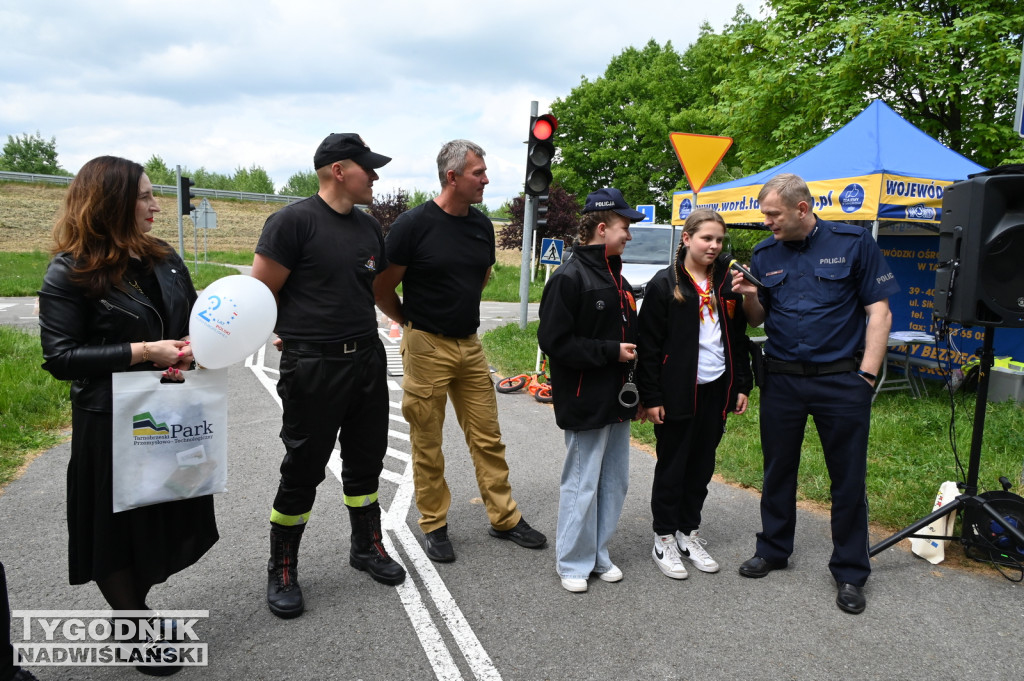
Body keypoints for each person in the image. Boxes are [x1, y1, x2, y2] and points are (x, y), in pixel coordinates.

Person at [38, 155, 217, 675]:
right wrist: (144, 351)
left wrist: (206, 343)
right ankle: (132, 624)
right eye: (142, 196)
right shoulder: (71, 269)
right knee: (117, 531)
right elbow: (60, 357)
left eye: (152, 194)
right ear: (111, 202)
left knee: (164, 518)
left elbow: (191, 317)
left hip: (171, 408)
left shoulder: (162, 257)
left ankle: (137, 611)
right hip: (112, 421)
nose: (154, 204)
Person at [252, 133, 405, 620]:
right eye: (368, 168)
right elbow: (258, 297)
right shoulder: (292, 223)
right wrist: (283, 333)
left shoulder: (368, 228)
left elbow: (374, 289)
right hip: (313, 365)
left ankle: (366, 547)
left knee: (366, 460)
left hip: (365, 359)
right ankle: (282, 566)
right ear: (339, 170)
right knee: (304, 467)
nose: (375, 177)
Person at [730, 173, 898, 615]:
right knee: (777, 469)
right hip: (783, 380)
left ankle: (849, 572)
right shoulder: (765, 253)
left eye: (773, 214)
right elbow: (757, 319)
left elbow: (879, 312)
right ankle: (773, 549)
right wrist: (749, 294)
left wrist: (867, 376)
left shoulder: (854, 243)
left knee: (847, 478)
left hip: (841, 382)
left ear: (801, 209)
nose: (766, 222)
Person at [374, 139, 546, 563]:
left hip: (470, 346)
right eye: (478, 172)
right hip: (426, 344)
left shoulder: (481, 225)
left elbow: (482, 276)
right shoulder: (413, 225)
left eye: (485, 172)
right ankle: (434, 524)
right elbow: (381, 287)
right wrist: (410, 323)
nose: (486, 179)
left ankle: (504, 518)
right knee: (427, 440)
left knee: (488, 437)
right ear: (452, 176)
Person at [537, 187, 644, 593]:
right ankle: (572, 563)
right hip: (585, 399)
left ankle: (597, 553)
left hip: (617, 399)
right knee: (582, 482)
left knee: (614, 482)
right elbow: (555, 342)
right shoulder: (569, 277)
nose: (629, 235)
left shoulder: (618, 277)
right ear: (602, 228)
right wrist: (610, 352)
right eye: (624, 227)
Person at [637, 209, 752, 581]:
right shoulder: (663, 284)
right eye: (706, 238)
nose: (714, 246)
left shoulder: (726, 284)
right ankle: (664, 537)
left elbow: (738, 340)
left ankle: (689, 533)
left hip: (716, 389)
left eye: (719, 240)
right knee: (673, 467)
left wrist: (741, 385)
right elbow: (649, 347)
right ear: (686, 238)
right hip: (675, 393)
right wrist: (651, 396)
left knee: (702, 465)